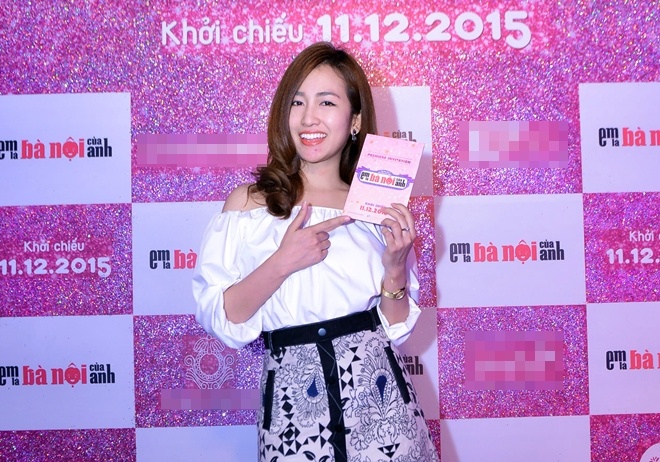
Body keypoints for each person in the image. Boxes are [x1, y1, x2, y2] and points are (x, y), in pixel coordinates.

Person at [193, 42, 439, 462]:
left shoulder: (376, 206)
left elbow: (396, 328)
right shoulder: (248, 204)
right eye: (297, 102)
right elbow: (223, 317)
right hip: (292, 409)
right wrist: (282, 262)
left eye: (326, 102)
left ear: (355, 119)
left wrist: (396, 267)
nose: (309, 117)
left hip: (382, 405)